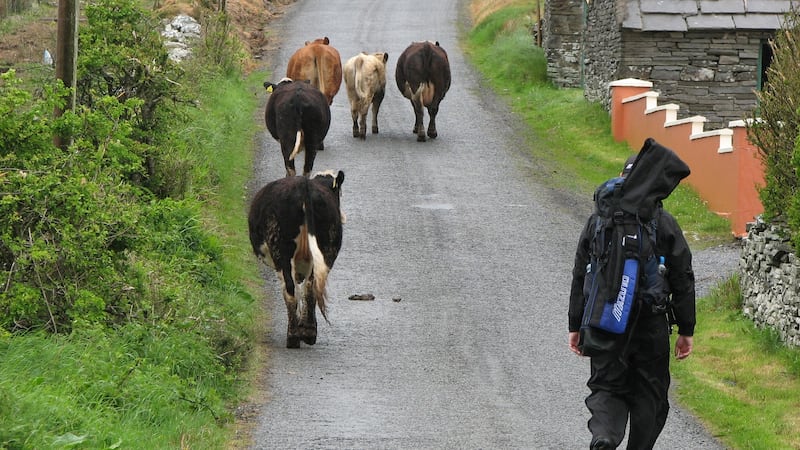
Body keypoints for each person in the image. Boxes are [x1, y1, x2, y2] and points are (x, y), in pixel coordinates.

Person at [568, 152, 696, 450]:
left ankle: (605, 436)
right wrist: (686, 329)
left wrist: (575, 324)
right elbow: (682, 276)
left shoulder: (598, 219)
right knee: (650, 394)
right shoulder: (662, 221)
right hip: (649, 324)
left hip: (604, 319)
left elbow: (580, 273)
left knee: (606, 386)